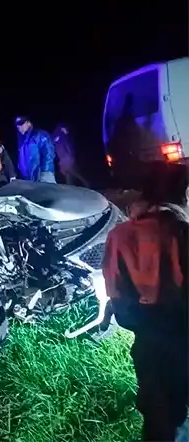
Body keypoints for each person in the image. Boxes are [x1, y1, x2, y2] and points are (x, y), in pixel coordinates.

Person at [102, 162, 189, 442]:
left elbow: (119, 303)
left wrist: (146, 322)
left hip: (148, 348)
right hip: (183, 340)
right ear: (183, 194)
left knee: (159, 420)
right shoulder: (182, 232)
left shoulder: (119, 236)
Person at [15, 116, 56, 183]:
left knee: (48, 192)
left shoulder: (40, 135)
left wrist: (45, 172)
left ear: (29, 123)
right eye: (17, 124)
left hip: (43, 175)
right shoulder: (22, 140)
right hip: (28, 177)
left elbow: (48, 153)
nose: (18, 126)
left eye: (21, 123)